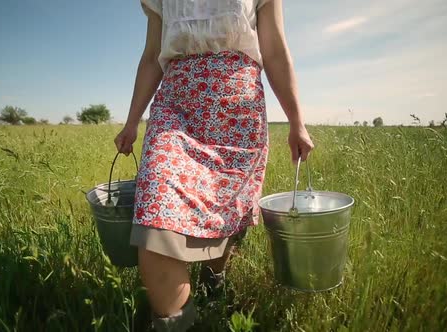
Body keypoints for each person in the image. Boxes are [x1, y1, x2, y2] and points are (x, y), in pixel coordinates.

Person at [114, 0, 314, 330]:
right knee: (157, 212)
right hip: (176, 107)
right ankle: (177, 322)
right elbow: (152, 56)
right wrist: (132, 121)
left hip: (236, 107)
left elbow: (274, 49)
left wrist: (297, 121)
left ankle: (214, 280)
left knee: (223, 211)